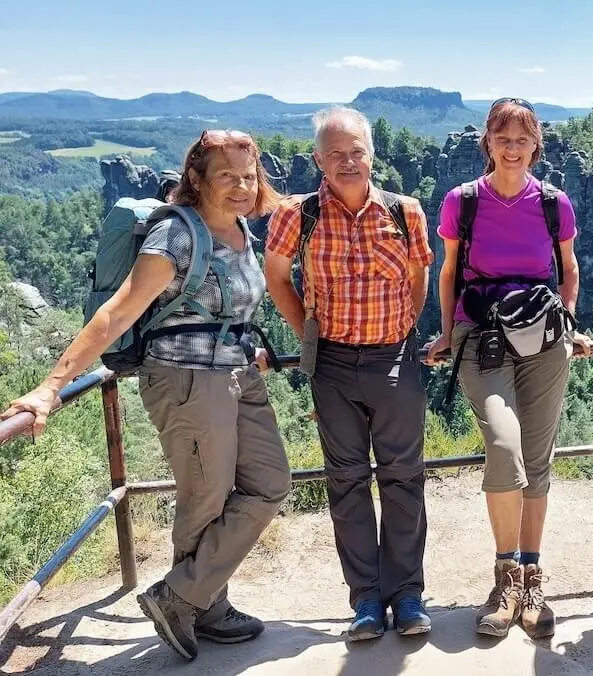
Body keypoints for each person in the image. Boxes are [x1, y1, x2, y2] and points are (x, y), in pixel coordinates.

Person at [1, 130, 290, 662]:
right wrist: (50, 387)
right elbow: (115, 313)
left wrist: (250, 347)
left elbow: (232, 307)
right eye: (226, 176)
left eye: (249, 176)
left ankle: (185, 596)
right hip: (185, 381)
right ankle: (202, 605)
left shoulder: (242, 230)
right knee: (206, 497)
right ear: (197, 179)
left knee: (270, 482)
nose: (242, 186)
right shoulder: (176, 237)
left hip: (237, 373)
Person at [263, 106, 434, 640]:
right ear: (318, 159)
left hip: (395, 360)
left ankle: (406, 596)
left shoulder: (405, 212)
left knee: (404, 477)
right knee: (347, 481)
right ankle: (365, 600)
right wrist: (306, 332)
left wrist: (402, 330)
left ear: (372, 153)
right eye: (335, 154)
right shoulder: (298, 214)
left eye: (356, 151)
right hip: (332, 362)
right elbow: (276, 278)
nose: (347, 162)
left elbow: (418, 278)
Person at [424, 97, 590, 640]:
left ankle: (530, 575)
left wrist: (569, 319)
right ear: (488, 142)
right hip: (482, 335)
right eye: (503, 137)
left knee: (537, 459)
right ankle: (504, 575)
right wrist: (448, 332)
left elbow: (570, 269)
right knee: (504, 446)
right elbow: (448, 272)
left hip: (544, 337)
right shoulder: (462, 201)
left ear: (535, 144)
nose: (512, 147)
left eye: (522, 139)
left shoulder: (554, 203)